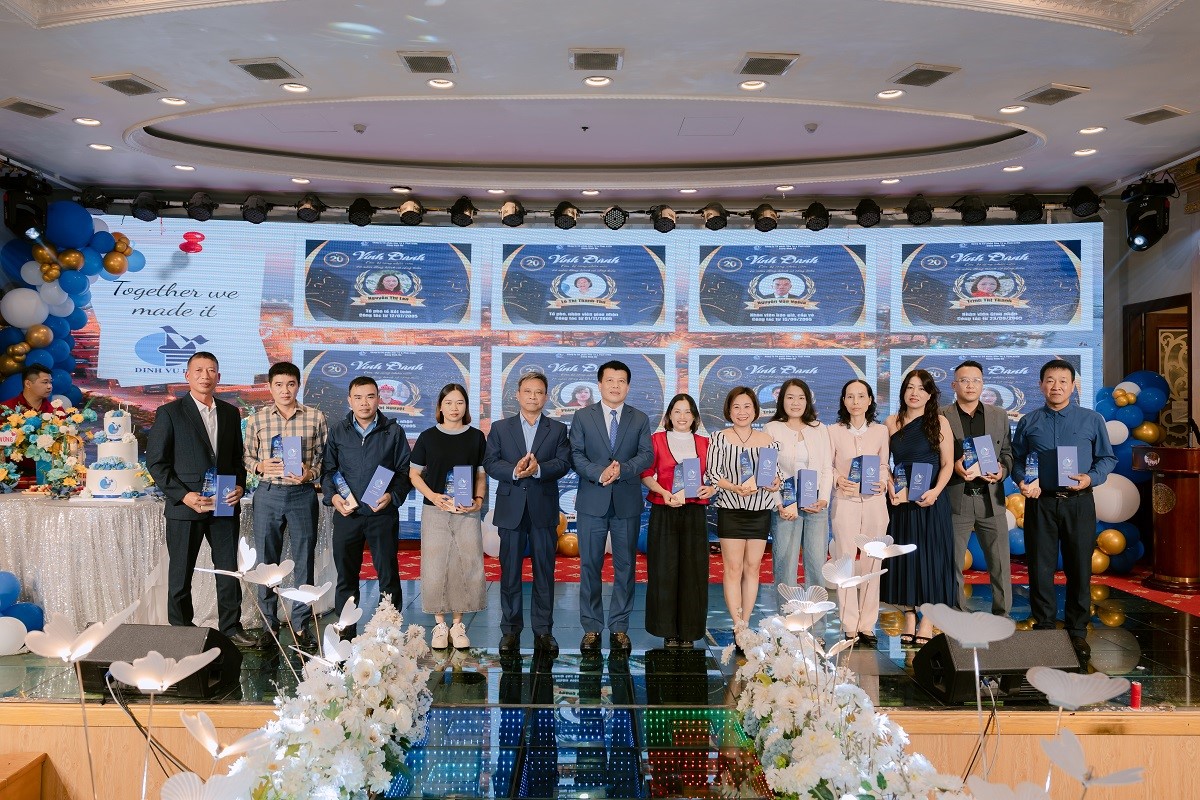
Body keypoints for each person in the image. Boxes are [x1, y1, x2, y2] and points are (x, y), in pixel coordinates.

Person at [146, 352, 254, 647]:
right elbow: (156, 463)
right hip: (186, 506)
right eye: (198, 370)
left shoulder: (231, 413)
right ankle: (181, 630)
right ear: (187, 375)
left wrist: (240, 486)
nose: (205, 375)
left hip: (224, 503)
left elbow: (236, 459)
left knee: (228, 570)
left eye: (211, 370)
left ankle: (231, 627)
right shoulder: (170, 413)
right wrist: (184, 495)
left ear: (219, 376)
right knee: (181, 571)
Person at [1013, 359, 1115, 662]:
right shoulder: (1029, 421)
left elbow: (1107, 458)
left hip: (1078, 502)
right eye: (1050, 380)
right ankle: (1044, 628)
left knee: (1079, 568)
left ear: (1072, 386)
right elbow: (1016, 459)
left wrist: (1090, 478)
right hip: (1040, 503)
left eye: (1062, 381)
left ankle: (1077, 631)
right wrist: (1022, 480)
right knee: (1040, 568)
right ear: (1040, 385)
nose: (1055, 387)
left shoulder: (1091, 419)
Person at [483, 372, 572, 656]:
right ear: (517, 395)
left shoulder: (557, 429)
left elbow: (564, 463)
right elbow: (490, 462)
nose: (533, 396)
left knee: (544, 572)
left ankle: (543, 631)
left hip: (543, 509)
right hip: (511, 509)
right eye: (528, 391)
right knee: (509, 573)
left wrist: (539, 469)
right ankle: (510, 631)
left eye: (539, 392)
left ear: (546, 397)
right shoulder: (500, 428)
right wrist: (514, 471)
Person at [569, 360, 653, 654]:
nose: (615, 386)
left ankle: (619, 627)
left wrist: (623, 470)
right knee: (589, 565)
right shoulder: (583, 416)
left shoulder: (639, 418)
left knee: (625, 567)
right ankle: (591, 627)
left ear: (628, 386)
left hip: (626, 503)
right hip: (592, 501)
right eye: (610, 380)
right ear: (600, 384)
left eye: (621, 381)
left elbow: (646, 455)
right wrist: (600, 472)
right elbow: (576, 454)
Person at [242, 361, 328, 649]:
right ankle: (269, 623)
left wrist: (310, 473)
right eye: (278, 385)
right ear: (269, 387)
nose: (285, 390)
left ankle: (301, 624)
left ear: (298, 386)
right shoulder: (257, 419)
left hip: (302, 494)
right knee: (267, 561)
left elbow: (324, 459)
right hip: (268, 494)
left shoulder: (315, 417)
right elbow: (247, 457)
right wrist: (259, 466)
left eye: (290, 384)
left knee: (304, 560)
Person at [321, 375, 413, 638]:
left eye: (370, 397)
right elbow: (328, 471)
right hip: (347, 515)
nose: (364, 403)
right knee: (346, 577)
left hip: (381, 514)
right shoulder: (338, 431)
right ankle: (345, 633)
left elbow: (404, 472)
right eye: (358, 397)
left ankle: (389, 633)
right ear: (349, 400)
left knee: (388, 575)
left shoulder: (393, 431)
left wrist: (392, 496)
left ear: (379, 399)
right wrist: (333, 498)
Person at [410, 383, 487, 650]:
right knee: (435, 565)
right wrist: (433, 496)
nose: (454, 408)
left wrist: (478, 501)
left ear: (466, 406)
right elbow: (414, 475)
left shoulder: (476, 437)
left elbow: (480, 474)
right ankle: (440, 625)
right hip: (436, 510)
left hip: (466, 511)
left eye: (460, 403)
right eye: (449, 403)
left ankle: (457, 624)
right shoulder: (428, 437)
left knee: (465, 563)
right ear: (440, 407)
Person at [881, 370, 955, 646]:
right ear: (903, 392)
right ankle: (910, 617)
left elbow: (947, 464)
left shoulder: (939, 422)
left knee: (932, 558)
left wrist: (935, 492)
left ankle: (928, 621)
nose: (915, 393)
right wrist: (891, 486)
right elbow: (884, 463)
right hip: (901, 503)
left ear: (930, 394)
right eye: (910, 387)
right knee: (906, 560)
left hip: (931, 501)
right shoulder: (891, 422)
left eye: (921, 388)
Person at [640, 393, 716, 648]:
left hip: (694, 513)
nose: (682, 417)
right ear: (669, 415)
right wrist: (663, 492)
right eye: (677, 411)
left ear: (694, 417)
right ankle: (667, 630)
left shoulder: (705, 443)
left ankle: (690, 631)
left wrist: (710, 488)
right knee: (664, 570)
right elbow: (646, 474)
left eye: (687, 412)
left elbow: (714, 476)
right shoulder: (656, 440)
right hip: (664, 510)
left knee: (693, 572)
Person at [940, 359, 1014, 615]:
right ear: (954, 385)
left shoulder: (999, 415)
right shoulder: (941, 415)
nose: (970, 385)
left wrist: (1002, 470)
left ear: (983, 384)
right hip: (956, 498)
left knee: (1000, 563)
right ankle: (956, 616)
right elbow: (933, 454)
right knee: (952, 563)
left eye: (975, 380)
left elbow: (1007, 453)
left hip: (990, 498)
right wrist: (953, 466)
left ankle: (1002, 616)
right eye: (964, 380)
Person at [705, 387, 780, 638]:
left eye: (747, 406)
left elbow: (775, 475)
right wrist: (734, 487)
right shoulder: (719, 438)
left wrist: (774, 482)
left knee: (753, 567)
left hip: (760, 511)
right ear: (729, 410)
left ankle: (746, 622)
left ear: (755, 410)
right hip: (730, 509)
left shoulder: (768, 440)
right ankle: (737, 623)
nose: (742, 412)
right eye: (736, 407)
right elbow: (713, 473)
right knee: (733, 568)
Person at [826, 379, 889, 645]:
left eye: (861, 396)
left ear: (870, 400)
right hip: (845, 502)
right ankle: (850, 624)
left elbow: (884, 465)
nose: (855, 401)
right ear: (843, 401)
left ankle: (867, 624)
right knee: (845, 561)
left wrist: (883, 482)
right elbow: (827, 466)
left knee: (873, 562)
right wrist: (838, 479)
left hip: (875, 503)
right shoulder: (833, 431)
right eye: (850, 396)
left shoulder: (881, 431)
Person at [763, 378, 832, 599]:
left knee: (816, 564)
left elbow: (826, 467)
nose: (796, 403)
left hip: (816, 503)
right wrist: (779, 503)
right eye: (790, 397)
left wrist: (824, 499)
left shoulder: (820, 429)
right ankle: (786, 619)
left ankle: (817, 620)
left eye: (801, 398)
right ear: (781, 400)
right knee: (785, 564)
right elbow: (768, 471)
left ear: (808, 401)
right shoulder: (771, 428)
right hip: (785, 504)